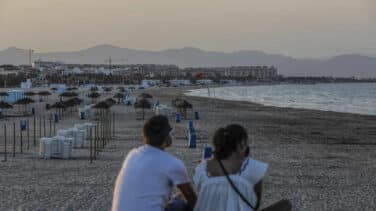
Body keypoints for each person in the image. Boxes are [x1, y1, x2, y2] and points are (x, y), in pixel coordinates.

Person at [193, 124, 290, 211]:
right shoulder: (255, 168)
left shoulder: (202, 167)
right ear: (242, 145)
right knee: (285, 204)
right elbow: (255, 205)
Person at [112, 115, 197, 211]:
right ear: (166, 136)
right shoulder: (172, 163)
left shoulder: (133, 155)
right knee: (180, 200)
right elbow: (193, 200)